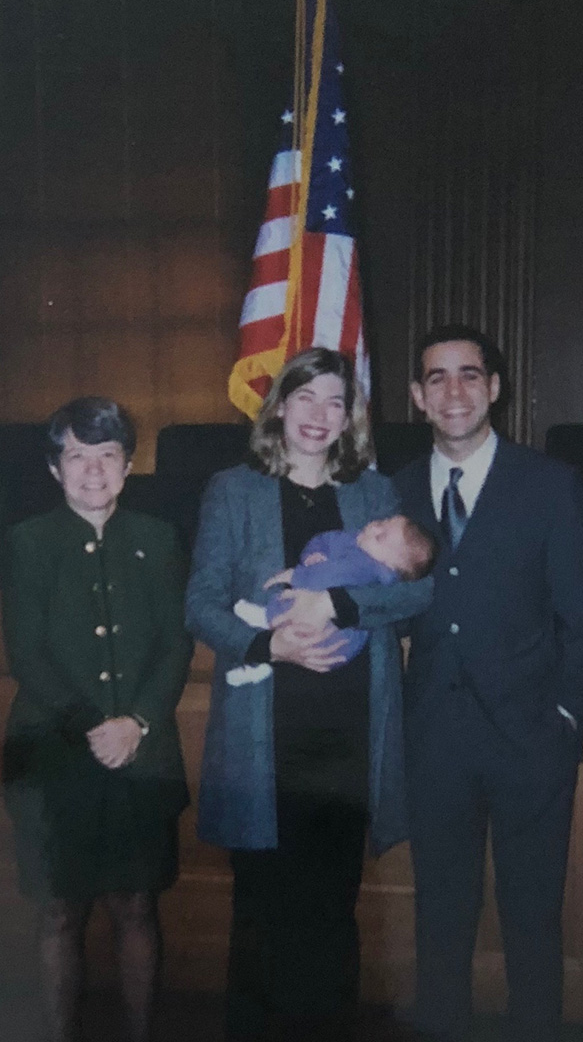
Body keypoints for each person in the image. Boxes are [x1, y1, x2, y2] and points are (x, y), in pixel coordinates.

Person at [185, 347, 433, 1042]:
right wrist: (271, 644)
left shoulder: (373, 493)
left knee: (332, 906)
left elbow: (420, 591)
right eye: (307, 397)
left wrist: (341, 609)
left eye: (336, 402)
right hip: (267, 736)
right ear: (280, 406)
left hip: (348, 733)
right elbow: (201, 604)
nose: (321, 415)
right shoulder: (232, 490)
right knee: (262, 906)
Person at [393, 326, 583, 1042]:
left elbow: (582, 621)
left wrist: (565, 722)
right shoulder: (388, 493)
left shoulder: (550, 485)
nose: (454, 391)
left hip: (530, 744)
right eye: (437, 378)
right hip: (434, 746)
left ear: (494, 387)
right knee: (441, 920)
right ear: (418, 397)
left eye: (469, 375)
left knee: (532, 920)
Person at [2, 397, 193, 1042]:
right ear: (55, 469)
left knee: (136, 905)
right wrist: (95, 726)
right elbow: (27, 651)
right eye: (76, 456)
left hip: (143, 752)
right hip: (53, 750)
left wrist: (136, 722)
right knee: (59, 913)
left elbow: (177, 644)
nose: (91, 470)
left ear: (129, 464)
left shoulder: (158, 538)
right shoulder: (26, 542)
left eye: (106, 455)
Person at [227, 515, 435, 685]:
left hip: (336, 640)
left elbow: (326, 576)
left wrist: (296, 575)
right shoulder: (357, 543)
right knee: (301, 620)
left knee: (295, 604)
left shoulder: (368, 565)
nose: (372, 528)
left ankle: (265, 618)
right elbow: (326, 540)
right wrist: (314, 553)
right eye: (380, 522)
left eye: (380, 537)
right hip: (334, 652)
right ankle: (263, 665)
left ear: (390, 565)